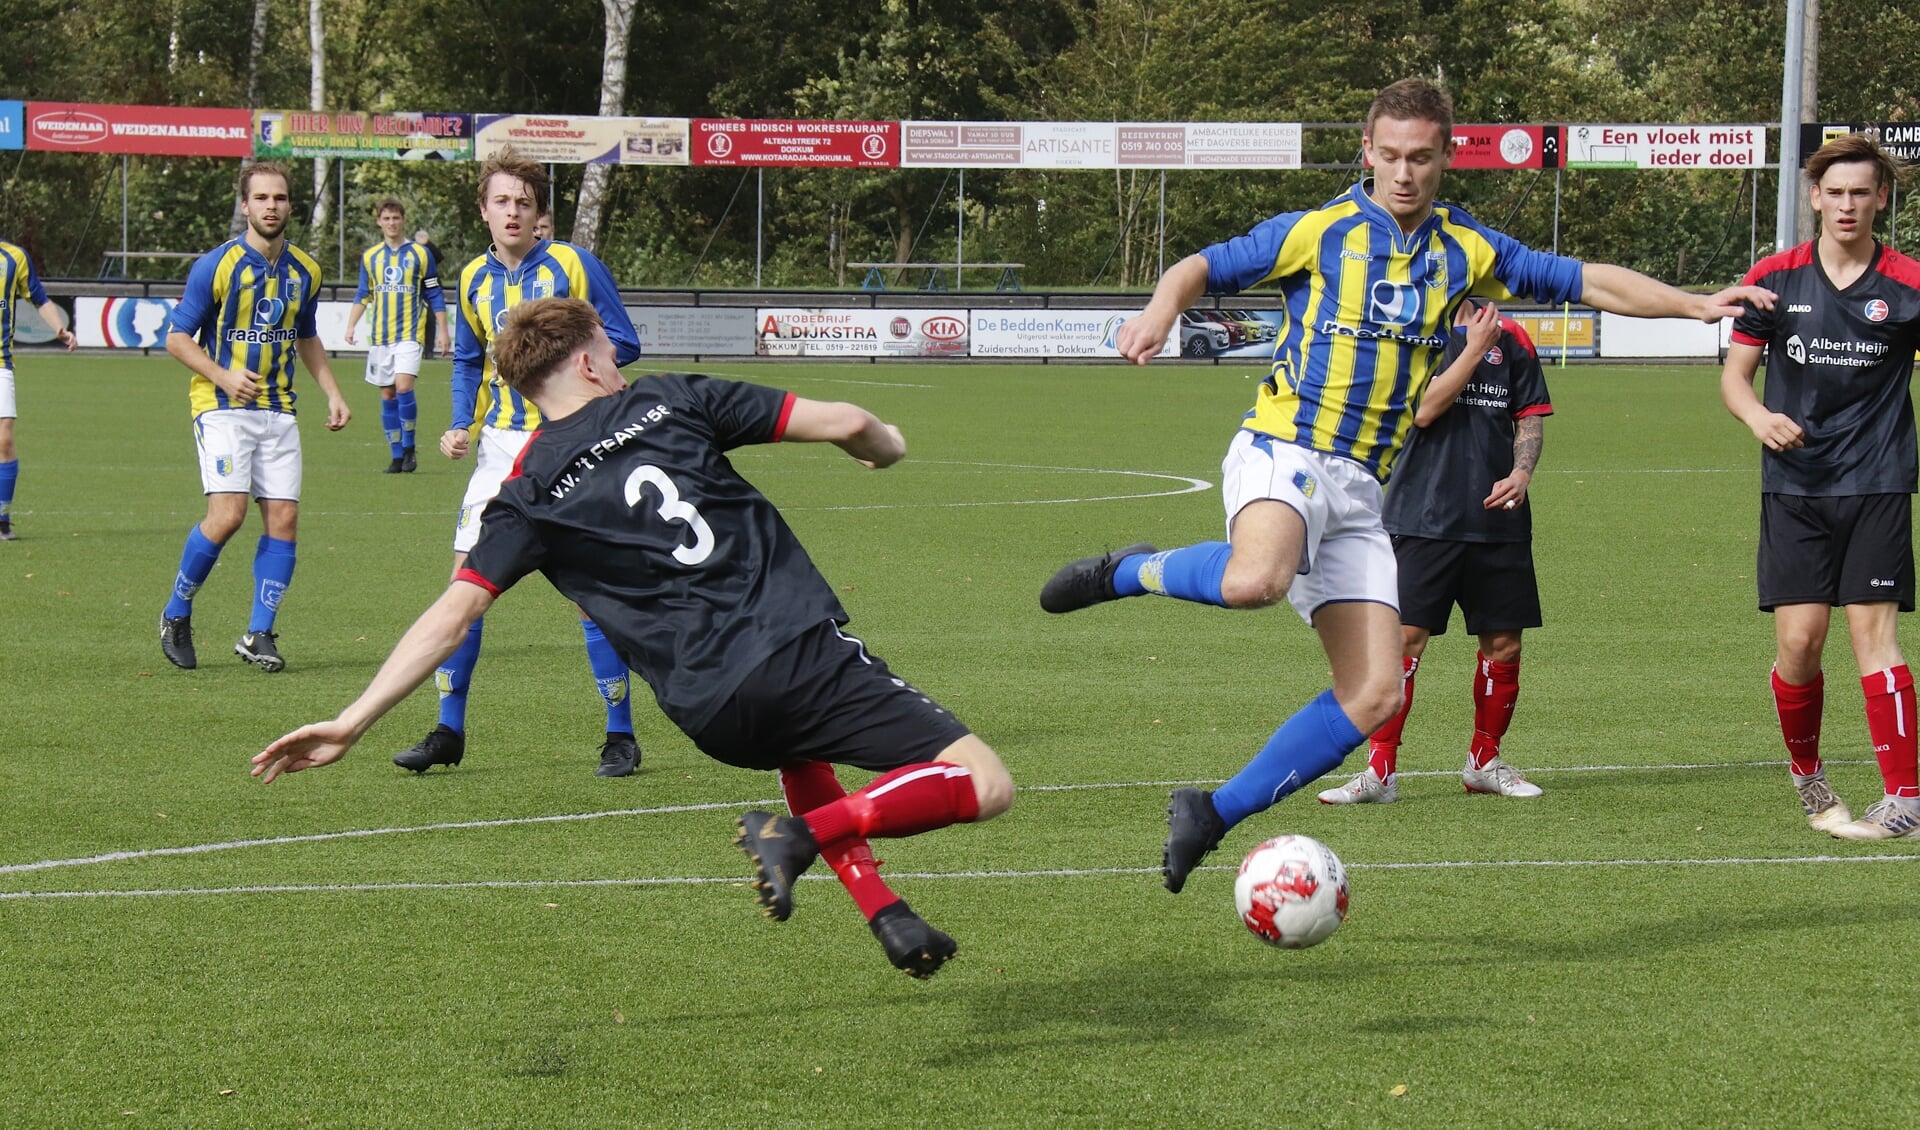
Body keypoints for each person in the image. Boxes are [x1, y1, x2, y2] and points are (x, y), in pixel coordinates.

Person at [1040, 77, 1774, 894]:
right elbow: (1198, 266)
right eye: (1388, 155)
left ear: (1445, 157)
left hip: (1363, 490)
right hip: (1285, 445)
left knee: (1376, 695)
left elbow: (1588, 279)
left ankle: (1213, 812)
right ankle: (1131, 569)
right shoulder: (1317, 232)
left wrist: (1697, 305)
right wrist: (1157, 312)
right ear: (1366, 151)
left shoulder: (1472, 251)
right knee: (1254, 578)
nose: (1403, 173)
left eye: (1420, 157)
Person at [254, 296, 1014, 978]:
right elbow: (847, 423)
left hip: (712, 713)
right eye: (611, 355)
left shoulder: (526, 491)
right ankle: (798, 835)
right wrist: (884, 445)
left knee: (797, 749)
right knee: (983, 782)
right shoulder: (670, 399)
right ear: (586, 360)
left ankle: (886, 913)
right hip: (794, 651)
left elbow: (452, 614)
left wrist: (352, 721)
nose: (618, 367)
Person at [393, 147, 644, 778]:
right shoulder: (474, 279)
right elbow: (465, 362)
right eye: (502, 201)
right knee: (464, 591)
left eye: (524, 203)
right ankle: (448, 729)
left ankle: (620, 734)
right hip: (500, 447)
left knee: (589, 598)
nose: (513, 212)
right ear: (484, 211)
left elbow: (625, 340)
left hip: (571, 444)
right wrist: (458, 424)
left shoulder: (573, 266)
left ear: (540, 216)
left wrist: (572, 373)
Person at [1722, 133, 1920, 840]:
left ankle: (1906, 799)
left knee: (1876, 638)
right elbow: (1734, 379)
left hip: (1878, 483)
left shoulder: (1908, 282)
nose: (1847, 205)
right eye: (1834, 192)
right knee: (1800, 645)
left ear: (1881, 199)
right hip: (1795, 488)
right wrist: (1759, 418)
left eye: (1861, 193)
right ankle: (1808, 774)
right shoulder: (1776, 278)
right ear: (1814, 197)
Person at [1317, 297, 1551, 804]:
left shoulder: (1513, 336)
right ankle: (1380, 771)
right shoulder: (1411, 332)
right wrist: (1472, 349)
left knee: (1505, 646)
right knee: (1403, 642)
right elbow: (1422, 411)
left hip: (1498, 519)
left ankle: (1484, 762)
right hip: (1420, 517)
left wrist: (1521, 472)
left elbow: (1529, 417)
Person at [158, 161, 351, 673]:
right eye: (261, 198)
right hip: (221, 407)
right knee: (228, 516)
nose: (271, 206)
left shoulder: (305, 271)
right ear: (245, 205)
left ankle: (258, 633)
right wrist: (223, 375)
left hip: (280, 410)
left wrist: (332, 391)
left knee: (284, 519)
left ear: (290, 205)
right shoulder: (216, 266)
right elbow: (176, 338)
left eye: (280, 198)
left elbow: (305, 335)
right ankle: (176, 612)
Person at [345, 198, 450, 473]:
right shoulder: (370, 257)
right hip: (381, 337)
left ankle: (409, 448)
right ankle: (395, 455)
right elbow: (362, 293)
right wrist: (351, 325)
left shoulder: (420, 254)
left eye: (396, 218)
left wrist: (442, 330)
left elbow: (434, 293)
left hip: (409, 333)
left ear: (403, 220)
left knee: (404, 387)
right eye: (386, 218)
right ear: (379, 221)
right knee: (388, 395)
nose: (391, 223)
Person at [0, 239, 77, 540]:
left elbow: (40, 298)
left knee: (4, 438)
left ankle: (2, 518)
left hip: (0, 361)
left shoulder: (14, 257)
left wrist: (59, 328)